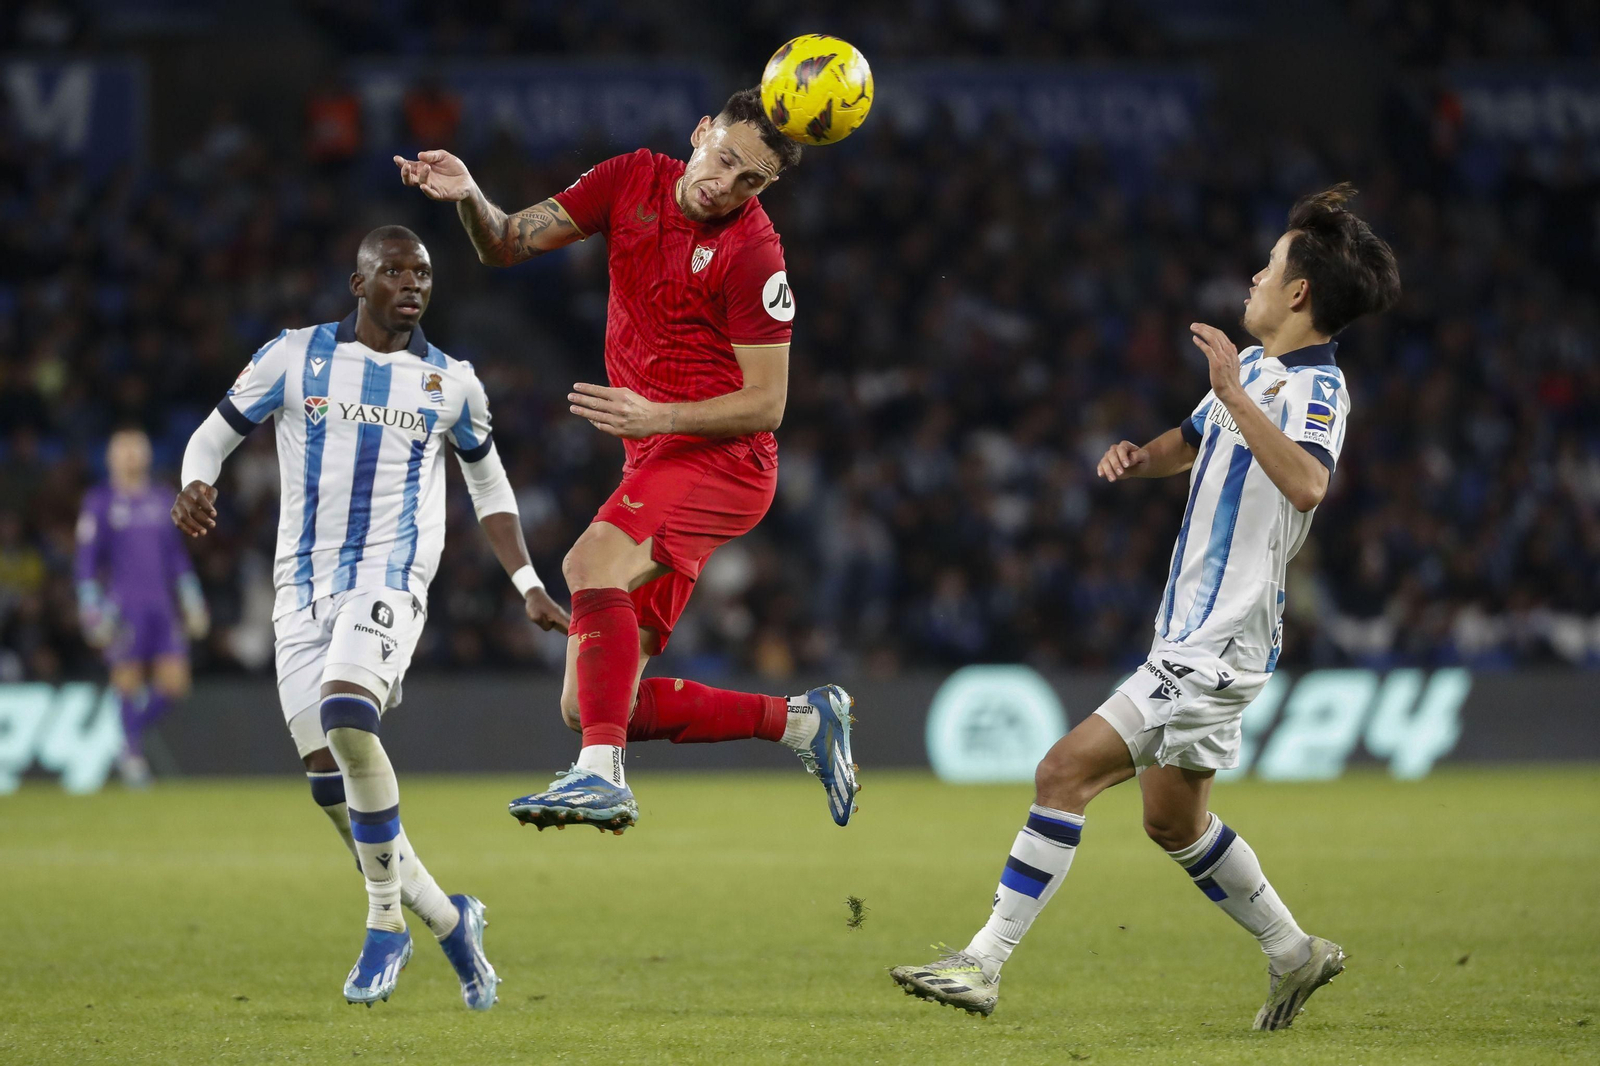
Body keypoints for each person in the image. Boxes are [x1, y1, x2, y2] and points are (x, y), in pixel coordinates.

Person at [890, 185, 1401, 1030]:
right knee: (1173, 822)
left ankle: (982, 964)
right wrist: (1139, 454)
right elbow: (1189, 441)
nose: (1255, 275)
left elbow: (1309, 482)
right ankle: (1292, 951)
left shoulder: (1315, 391)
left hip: (1217, 640)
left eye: (1269, 266)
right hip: (1201, 634)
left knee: (1062, 772)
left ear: (1300, 293)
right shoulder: (1255, 373)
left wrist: (1236, 393)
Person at [395, 88, 858, 834]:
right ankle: (804, 722)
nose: (730, 184)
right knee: (591, 704)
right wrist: (470, 196)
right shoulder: (629, 181)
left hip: (724, 460)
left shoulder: (754, 251)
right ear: (700, 132)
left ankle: (601, 778)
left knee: (588, 565)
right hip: (654, 456)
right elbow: (504, 243)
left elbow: (769, 404)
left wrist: (659, 415)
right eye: (728, 159)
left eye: (752, 181)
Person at [172, 226, 569, 1008]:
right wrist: (194, 483)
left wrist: (525, 579)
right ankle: (453, 922)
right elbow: (212, 436)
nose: (412, 284)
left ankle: (385, 923)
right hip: (301, 591)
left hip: (390, 577)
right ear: (360, 285)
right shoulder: (293, 357)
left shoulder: (451, 382)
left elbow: (488, 489)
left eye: (422, 272)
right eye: (394, 272)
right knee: (333, 785)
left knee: (349, 716)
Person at [75, 428, 209, 787]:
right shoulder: (100, 502)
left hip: (162, 609)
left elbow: (176, 557)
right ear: (111, 457)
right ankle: (132, 756)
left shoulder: (162, 498)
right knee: (128, 684)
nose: (133, 455)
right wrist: (91, 606)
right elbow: (86, 561)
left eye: (138, 448)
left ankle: (126, 737)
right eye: (125, 449)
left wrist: (191, 597)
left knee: (175, 685)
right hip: (123, 609)